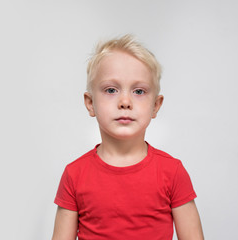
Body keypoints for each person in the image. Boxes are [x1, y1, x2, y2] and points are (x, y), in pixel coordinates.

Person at [51, 34, 204, 240]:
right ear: (90, 103)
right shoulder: (74, 175)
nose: (125, 101)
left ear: (155, 106)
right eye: (111, 90)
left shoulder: (173, 172)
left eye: (139, 91)